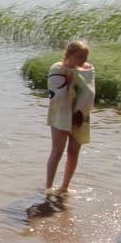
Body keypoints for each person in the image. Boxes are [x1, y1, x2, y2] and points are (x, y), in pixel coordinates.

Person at [45, 40, 95, 195]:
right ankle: (48, 187)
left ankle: (65, 186)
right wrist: (71, 78)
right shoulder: (57, 68)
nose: (84, 60)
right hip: (61, 115)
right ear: (69, 54)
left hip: (80, 116)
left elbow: (89, 92)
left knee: (74, 152)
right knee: (57, 151)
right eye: (80, 56)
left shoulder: (89, 69)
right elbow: (57, 94)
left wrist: (79, 111)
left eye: (86, 56)